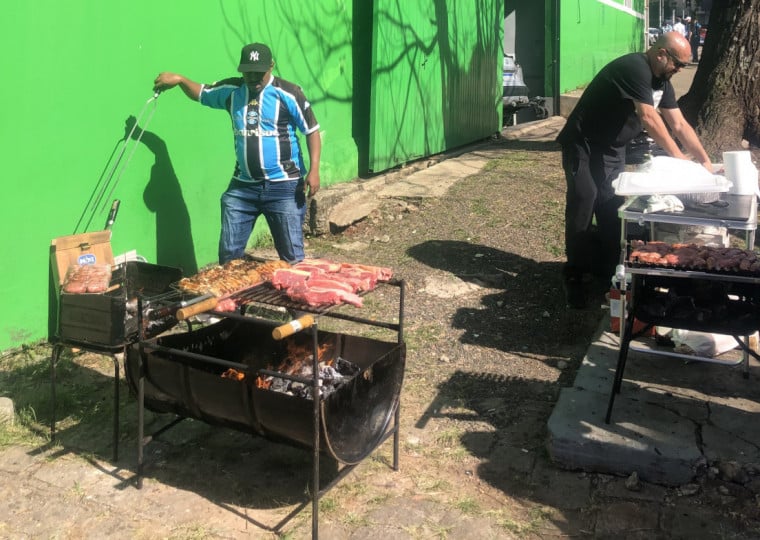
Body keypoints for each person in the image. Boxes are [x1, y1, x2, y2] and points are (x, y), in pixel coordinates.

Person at [556, 32, 712, 309]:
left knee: (613, 207)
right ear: (661, 53)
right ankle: (575, 276)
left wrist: (705, 162)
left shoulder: (662, 82)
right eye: (678, 64)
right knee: (584, 201)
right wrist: (679, 159)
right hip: (584, 144)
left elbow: (679, 125)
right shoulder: (634, 68)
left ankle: (609, 274)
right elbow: (649, 117)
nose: (679, 70)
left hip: (612, 150)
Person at [153, 42, 321, 265]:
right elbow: (202, 93)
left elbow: (311, 130)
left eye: (258, 72)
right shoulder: (232, 91)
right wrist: (180, 80)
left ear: (271, 66)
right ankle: (233, 300)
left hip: (285, 186)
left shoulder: (288, 93)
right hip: (243, 188)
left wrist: (314, 169)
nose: (253, 77)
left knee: (292, 258)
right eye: (247, 72)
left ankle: (294, 296)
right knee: (229, 257)